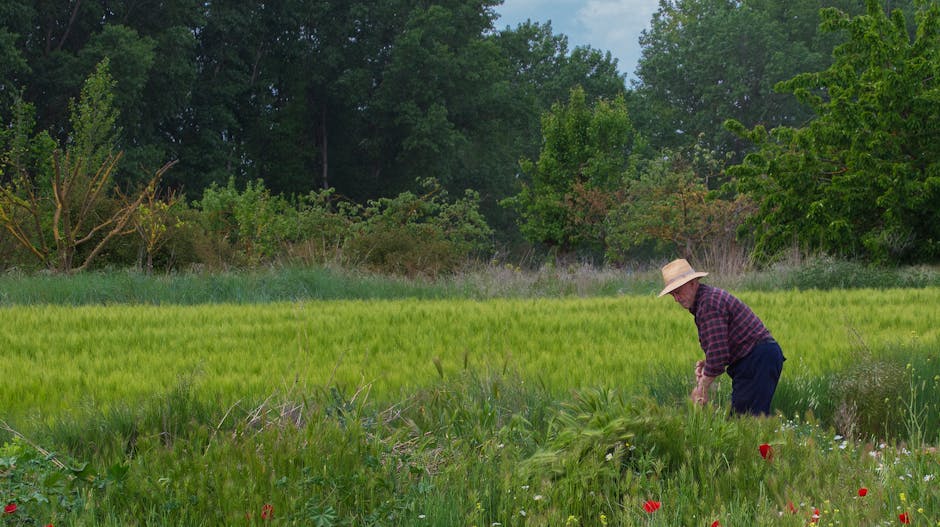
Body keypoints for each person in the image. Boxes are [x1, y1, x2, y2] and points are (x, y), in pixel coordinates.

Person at [658, 258, 785, 416]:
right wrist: (707, 365)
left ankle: (768, 440)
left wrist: (701, 388)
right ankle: (768, 440)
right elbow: (721, 348)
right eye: (672, 295)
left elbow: (719, 354)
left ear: (693, 283)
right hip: (758, 359)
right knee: (750, 422)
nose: (676, 299)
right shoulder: (706, 301)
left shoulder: (708, 304)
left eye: (678, 292)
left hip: (756, 360)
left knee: (746, 423)